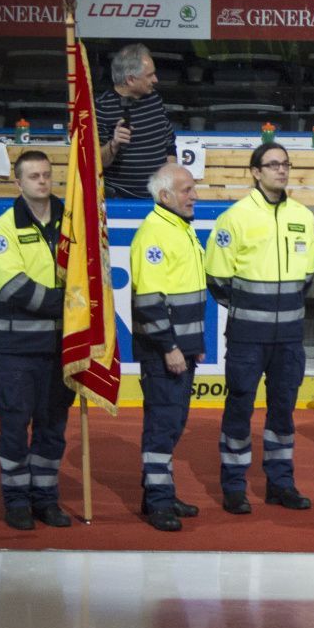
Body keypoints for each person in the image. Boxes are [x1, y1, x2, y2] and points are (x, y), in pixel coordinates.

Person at [204, 142, 314, 514]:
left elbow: (308, 277)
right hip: (247, 337)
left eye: (285, 164)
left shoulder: (303, 215)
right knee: (239, 408)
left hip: (289, 337)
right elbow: (217, 278)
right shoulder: (234, 218)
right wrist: (253, 310)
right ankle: (234, 485)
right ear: (255, 172)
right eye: (272, 165)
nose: (280, 171)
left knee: (283, 411)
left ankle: (280, 483)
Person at [0, 151, 72, 531]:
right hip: (17, 352)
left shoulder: (73, 224)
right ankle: (17, 500)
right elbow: (15, 287)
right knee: (14, 426)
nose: (42, 180)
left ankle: (45, 499)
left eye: (46, 174)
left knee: (52, 429)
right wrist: (68, 306)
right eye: (34, 176)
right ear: (18, 183)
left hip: (60, 348)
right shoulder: (3, 228)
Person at [129, 164, 206, 532]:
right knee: (162, 426)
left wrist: (194, 345)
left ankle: (159, 492)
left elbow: (186, 295)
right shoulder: (155, 234)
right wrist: (171, 347)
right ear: (165, 196)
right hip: (163, 352)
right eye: (187, 190)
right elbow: (149, 301)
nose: (195, 196)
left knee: (173, 424)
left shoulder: (179, 229)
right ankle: (159, 504)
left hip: (180, 349)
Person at [94, 44, 175, 200]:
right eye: (149, 75)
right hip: (120, 200)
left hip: (159, 197)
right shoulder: (102, 108)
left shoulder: (154, 99)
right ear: (130, 79)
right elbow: (98, 162)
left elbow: (169, 144)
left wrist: (170, 178)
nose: (155, 79)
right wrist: (114, 144)